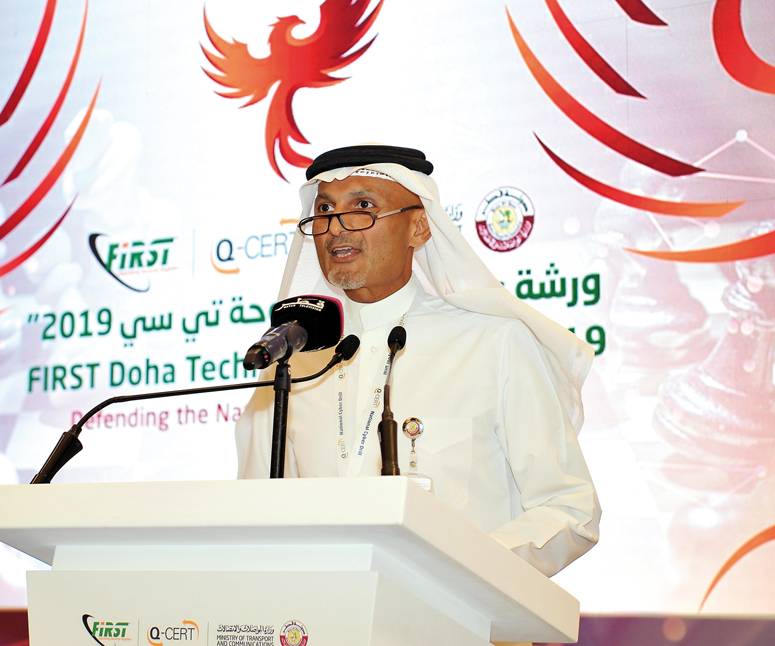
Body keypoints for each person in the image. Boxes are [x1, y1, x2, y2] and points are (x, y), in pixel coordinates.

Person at [234, 144, 600, 577]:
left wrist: (458, 571)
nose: (336, 228)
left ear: (420, 227)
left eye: (363, 206)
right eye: (325, 210)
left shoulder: (493, 344)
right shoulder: (291, 364)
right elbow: (251, 515)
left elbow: (569, 508)